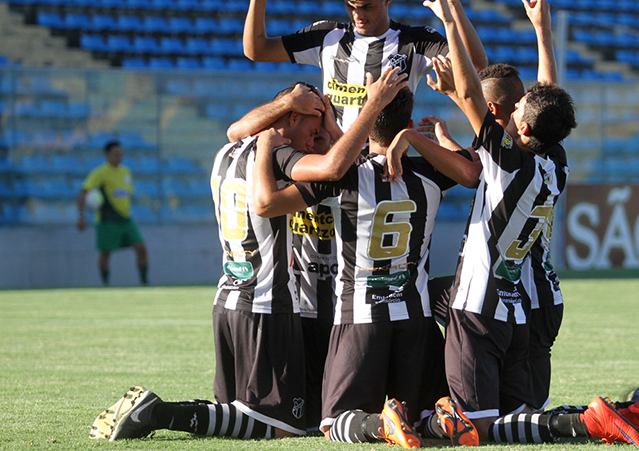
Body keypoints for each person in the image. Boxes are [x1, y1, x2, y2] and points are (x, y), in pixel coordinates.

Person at [89, 73, 405, 442]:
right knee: (279, 426)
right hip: (268, 305)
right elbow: (334, 169)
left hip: (228, 300)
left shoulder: (229, 150)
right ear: (291, 119)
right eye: (313, 129)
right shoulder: (277, 155)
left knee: (240, 413)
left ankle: (158, 412)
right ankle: (158, 412)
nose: (314, 140)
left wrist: (293, 109)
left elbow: (235, 130)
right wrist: (372, 106)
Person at [422, 0, 639, 446]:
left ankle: (428, 410)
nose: (521, 102)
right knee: (518, 417)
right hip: (518, 304)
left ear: (521, 128)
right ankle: (599, 417)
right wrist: (543, 34)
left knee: (477, 428)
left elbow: (468, 93)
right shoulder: (555, 161)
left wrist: (447, 20)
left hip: (486, 302)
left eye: (521, 107)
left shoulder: (508, 164)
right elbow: (547, 101)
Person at [253, 86, 483, 448]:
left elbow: (268, 205)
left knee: (335, 422)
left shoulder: (340, 177)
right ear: (407, 123)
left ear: (363, 123)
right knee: (422, 413)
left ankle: (381, 426)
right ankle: (441, 422)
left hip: (361, 317)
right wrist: (436, 137)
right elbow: (473, 165)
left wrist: (267, 144)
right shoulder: (433, 171)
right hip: (415, 317)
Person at [243, 0, 488, 131]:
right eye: (351, 6)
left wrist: (453, 9)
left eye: (366, 7)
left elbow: (476, 66)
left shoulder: (416, 42)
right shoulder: (327, 37)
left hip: (387, 167)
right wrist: (257, 0)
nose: (358, 15)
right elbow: (258, 50)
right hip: (334, 164)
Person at [77, 140, 148, 286]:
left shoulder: (126, 172)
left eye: (121, 153)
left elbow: (126, 195)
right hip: (107, 220)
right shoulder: (100, 173)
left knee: (141, 247)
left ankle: (144, 281)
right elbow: (83, 192)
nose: (119, 156)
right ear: (107, 154)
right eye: (116, 153)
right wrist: (81, 216)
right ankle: (105, 283)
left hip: (125, 219)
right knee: (105, 253)